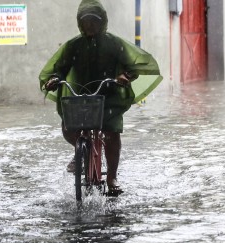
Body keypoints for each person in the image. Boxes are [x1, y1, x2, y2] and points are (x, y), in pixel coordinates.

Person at [39, 0, 161, 192]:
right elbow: (60, 68)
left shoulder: (114, 44)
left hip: (109, 96)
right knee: (70, 127)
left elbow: (133, 65)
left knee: (112, 134)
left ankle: (112, 177)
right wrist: (54, 79)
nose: (90, 25)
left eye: (94, 21)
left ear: (102, 21)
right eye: (86, 21)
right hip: (81, 96)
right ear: (80, 23)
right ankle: (80, 152)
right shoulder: (73, 46)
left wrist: (125, 76)